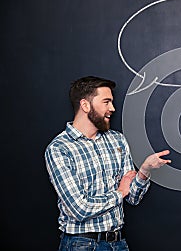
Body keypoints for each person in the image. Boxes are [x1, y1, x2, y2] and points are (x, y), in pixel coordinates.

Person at [45, 76, 171, 251]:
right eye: (106, 102)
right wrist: (119, 193)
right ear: (85, 105)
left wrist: (144, 171)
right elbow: (79, 209)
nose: (112, 108)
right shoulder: (59, 149)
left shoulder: (116, 140)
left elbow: (133, 197)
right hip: (81, 245)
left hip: (118, 243)